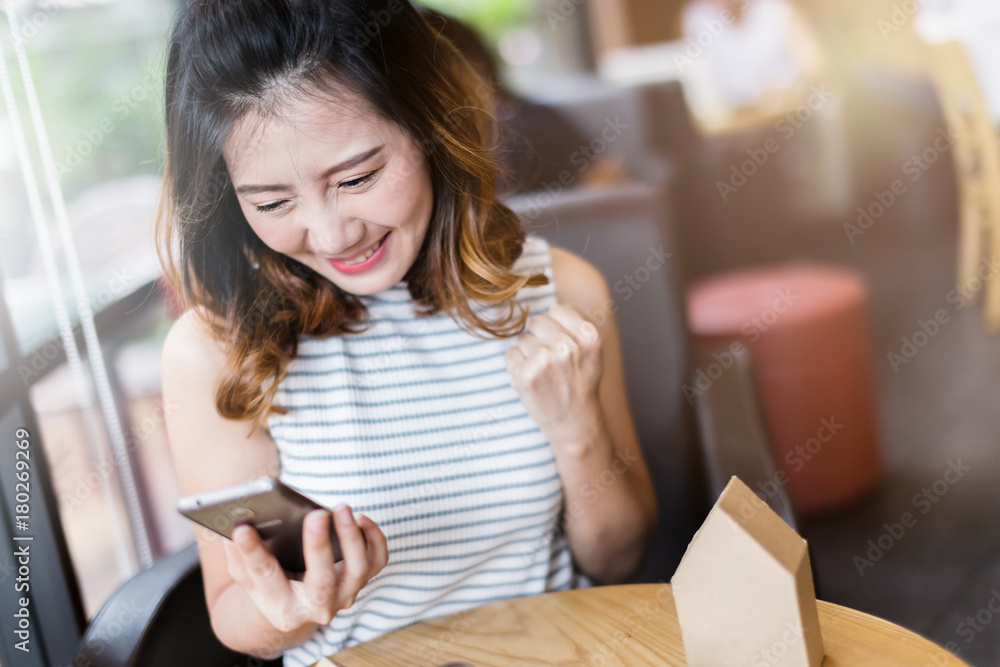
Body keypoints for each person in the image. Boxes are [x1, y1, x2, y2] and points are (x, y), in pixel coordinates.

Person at [156, 1, 658, 665]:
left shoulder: (563, 290)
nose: (333, 234)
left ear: (432, 126)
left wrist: (579, 433)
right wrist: (297, 608)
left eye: (360, 176)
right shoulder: (217, 353)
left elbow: (621, 556)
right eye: (272, 201)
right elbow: (232, 609)